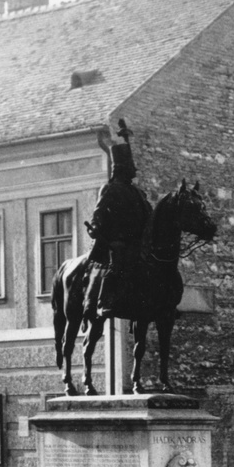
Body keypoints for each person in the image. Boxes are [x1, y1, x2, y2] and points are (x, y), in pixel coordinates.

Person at [84, 121, 152, 321]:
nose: (134, 170)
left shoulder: (138, 192)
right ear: (122, 168)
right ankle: (106, 301)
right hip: (117, 242)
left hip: (138, 242)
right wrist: (96, 226)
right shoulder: (110, 189)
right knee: (116, 267)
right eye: (130, 166)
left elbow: (149, 214)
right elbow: (98, 213)